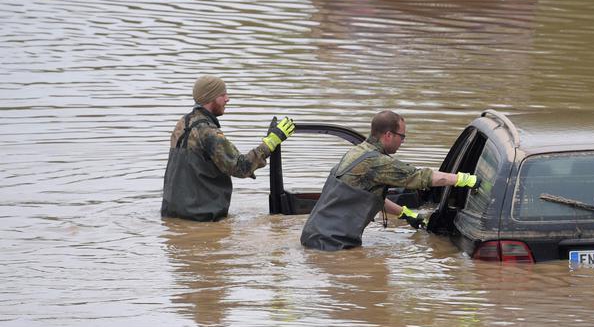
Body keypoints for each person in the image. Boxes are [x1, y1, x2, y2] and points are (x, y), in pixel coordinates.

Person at [300, 110, 480, 251]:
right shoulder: (377, 162)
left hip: (313, 237)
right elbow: (420, 177)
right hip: (331, 246)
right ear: (388, 135)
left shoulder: (358, 152)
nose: (403, 141)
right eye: (402, 136)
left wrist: (405, 213)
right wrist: (463, 179)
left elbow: (367, 196)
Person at [161, 75, 295, 221]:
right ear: (210, 97)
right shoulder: (208, 132)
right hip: (202, 220)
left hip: (172, 215)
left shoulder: (182, 124)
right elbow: (241, 167)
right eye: (222, 94)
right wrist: (271, 142)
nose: (227, 99)